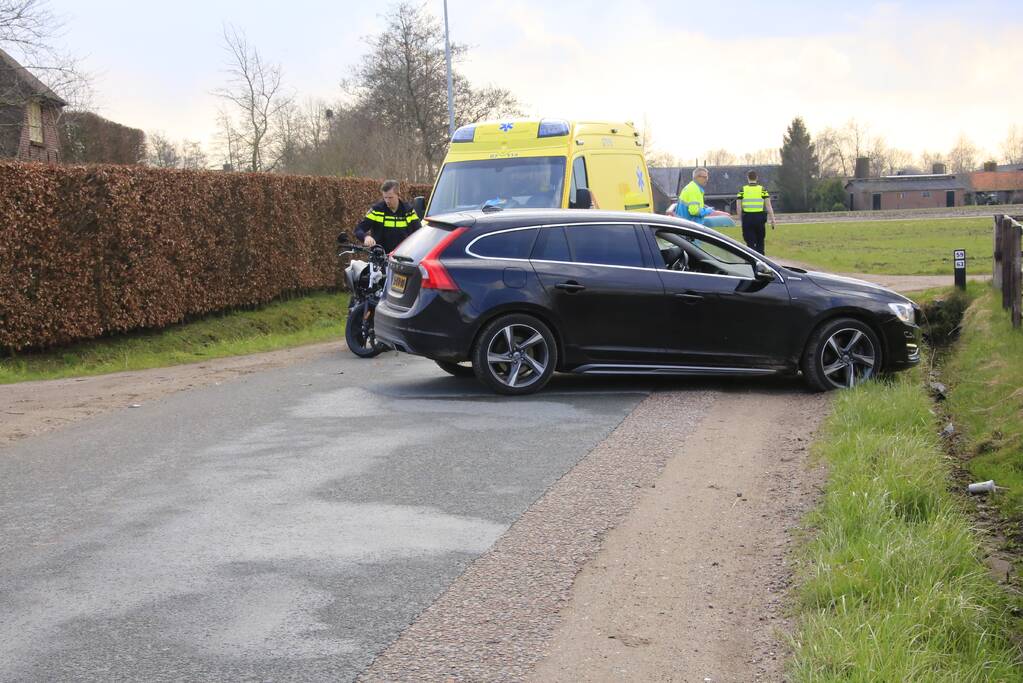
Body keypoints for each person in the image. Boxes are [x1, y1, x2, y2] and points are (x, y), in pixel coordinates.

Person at [352, 179, 421, 252]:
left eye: (390, 197)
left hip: (404, 255)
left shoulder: (409, 211)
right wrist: (365, 237)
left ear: (398, 195)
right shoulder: (377, 210)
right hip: (380, 255)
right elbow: (358, 229)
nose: (387, 201)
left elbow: (420, 232)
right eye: (385, 197)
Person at [735, 170, 776, 255]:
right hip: (759, 218)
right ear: (757, 178)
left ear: (747, 178)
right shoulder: (762, 190)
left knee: (749, 243)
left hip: (747, 218)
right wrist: (773, 219)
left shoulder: (742, 190)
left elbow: (738, 206)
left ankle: (751, 259)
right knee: (760, 242)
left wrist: (740, 219)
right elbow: (768, 206)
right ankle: (761, 259)